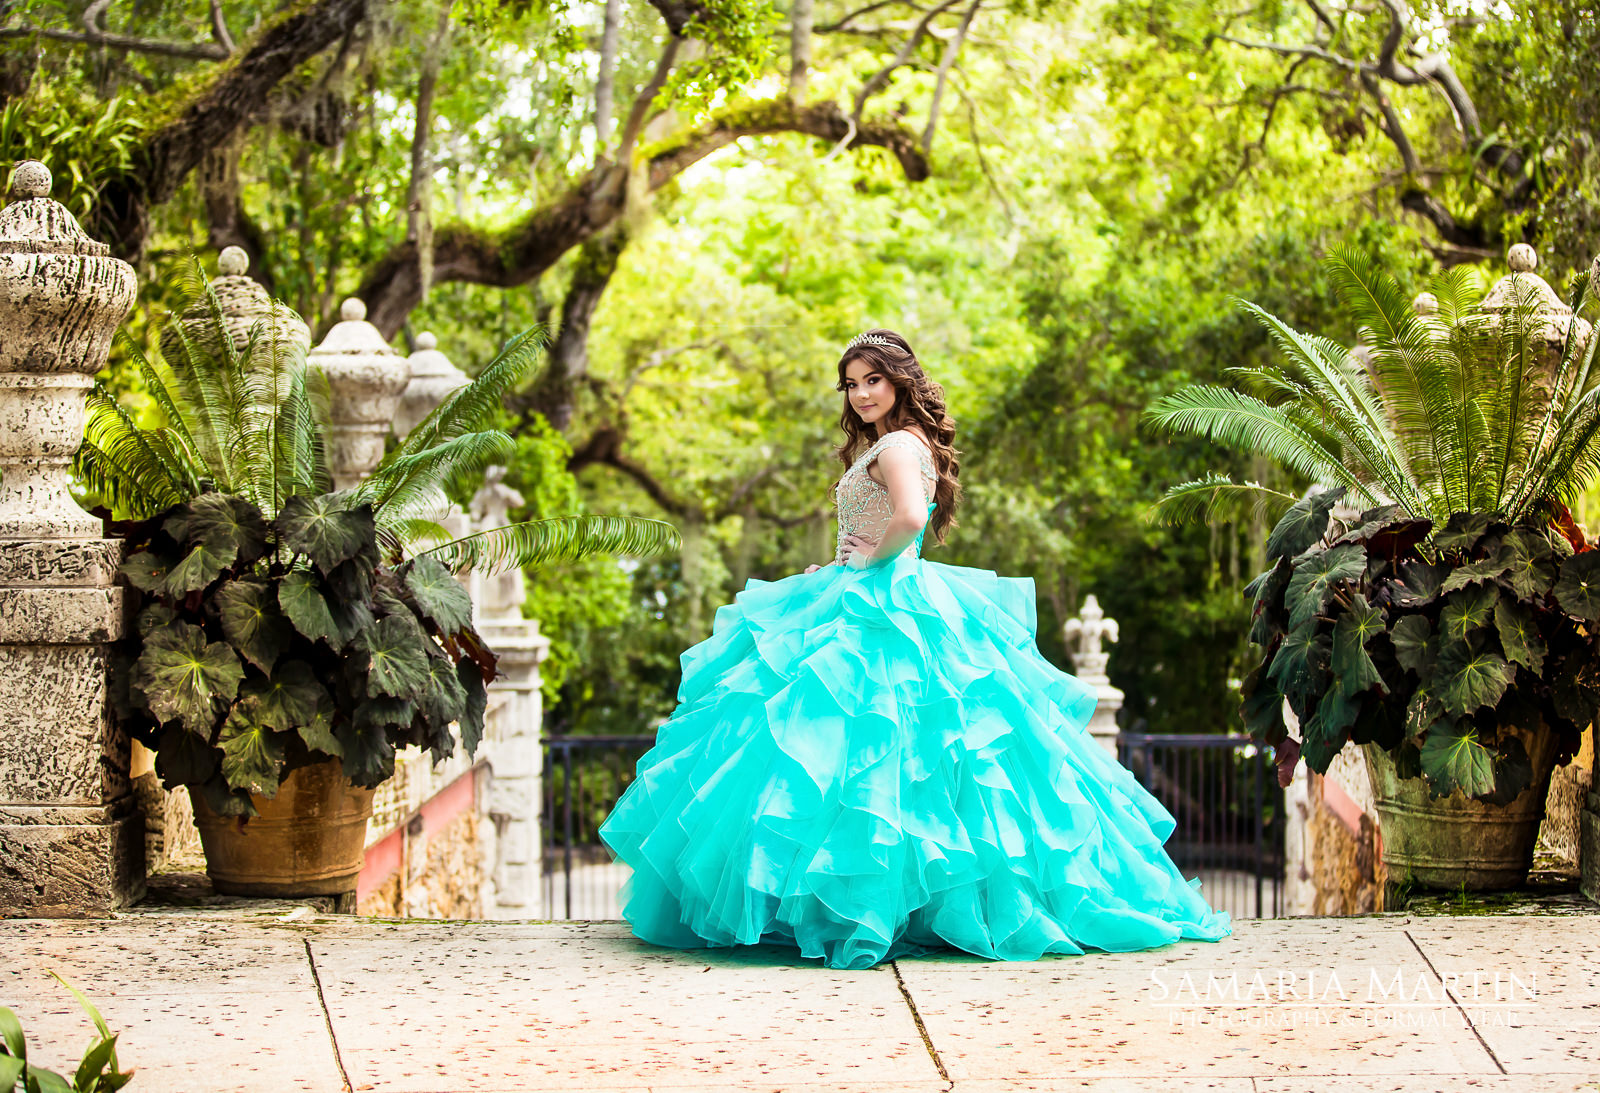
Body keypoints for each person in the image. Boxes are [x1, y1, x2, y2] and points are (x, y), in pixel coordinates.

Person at [597, 329, 1231, 969]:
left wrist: (868, 560)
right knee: (883, 752)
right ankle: (896, 902)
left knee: (865, 747)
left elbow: (909, 515)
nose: (861, 392)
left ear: (899, 380)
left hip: (883, 595)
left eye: (872, 378)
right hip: (870, 587)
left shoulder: (900, 445)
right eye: (851, 383)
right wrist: (846, 563)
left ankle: (870, 905)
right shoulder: (896, 443)